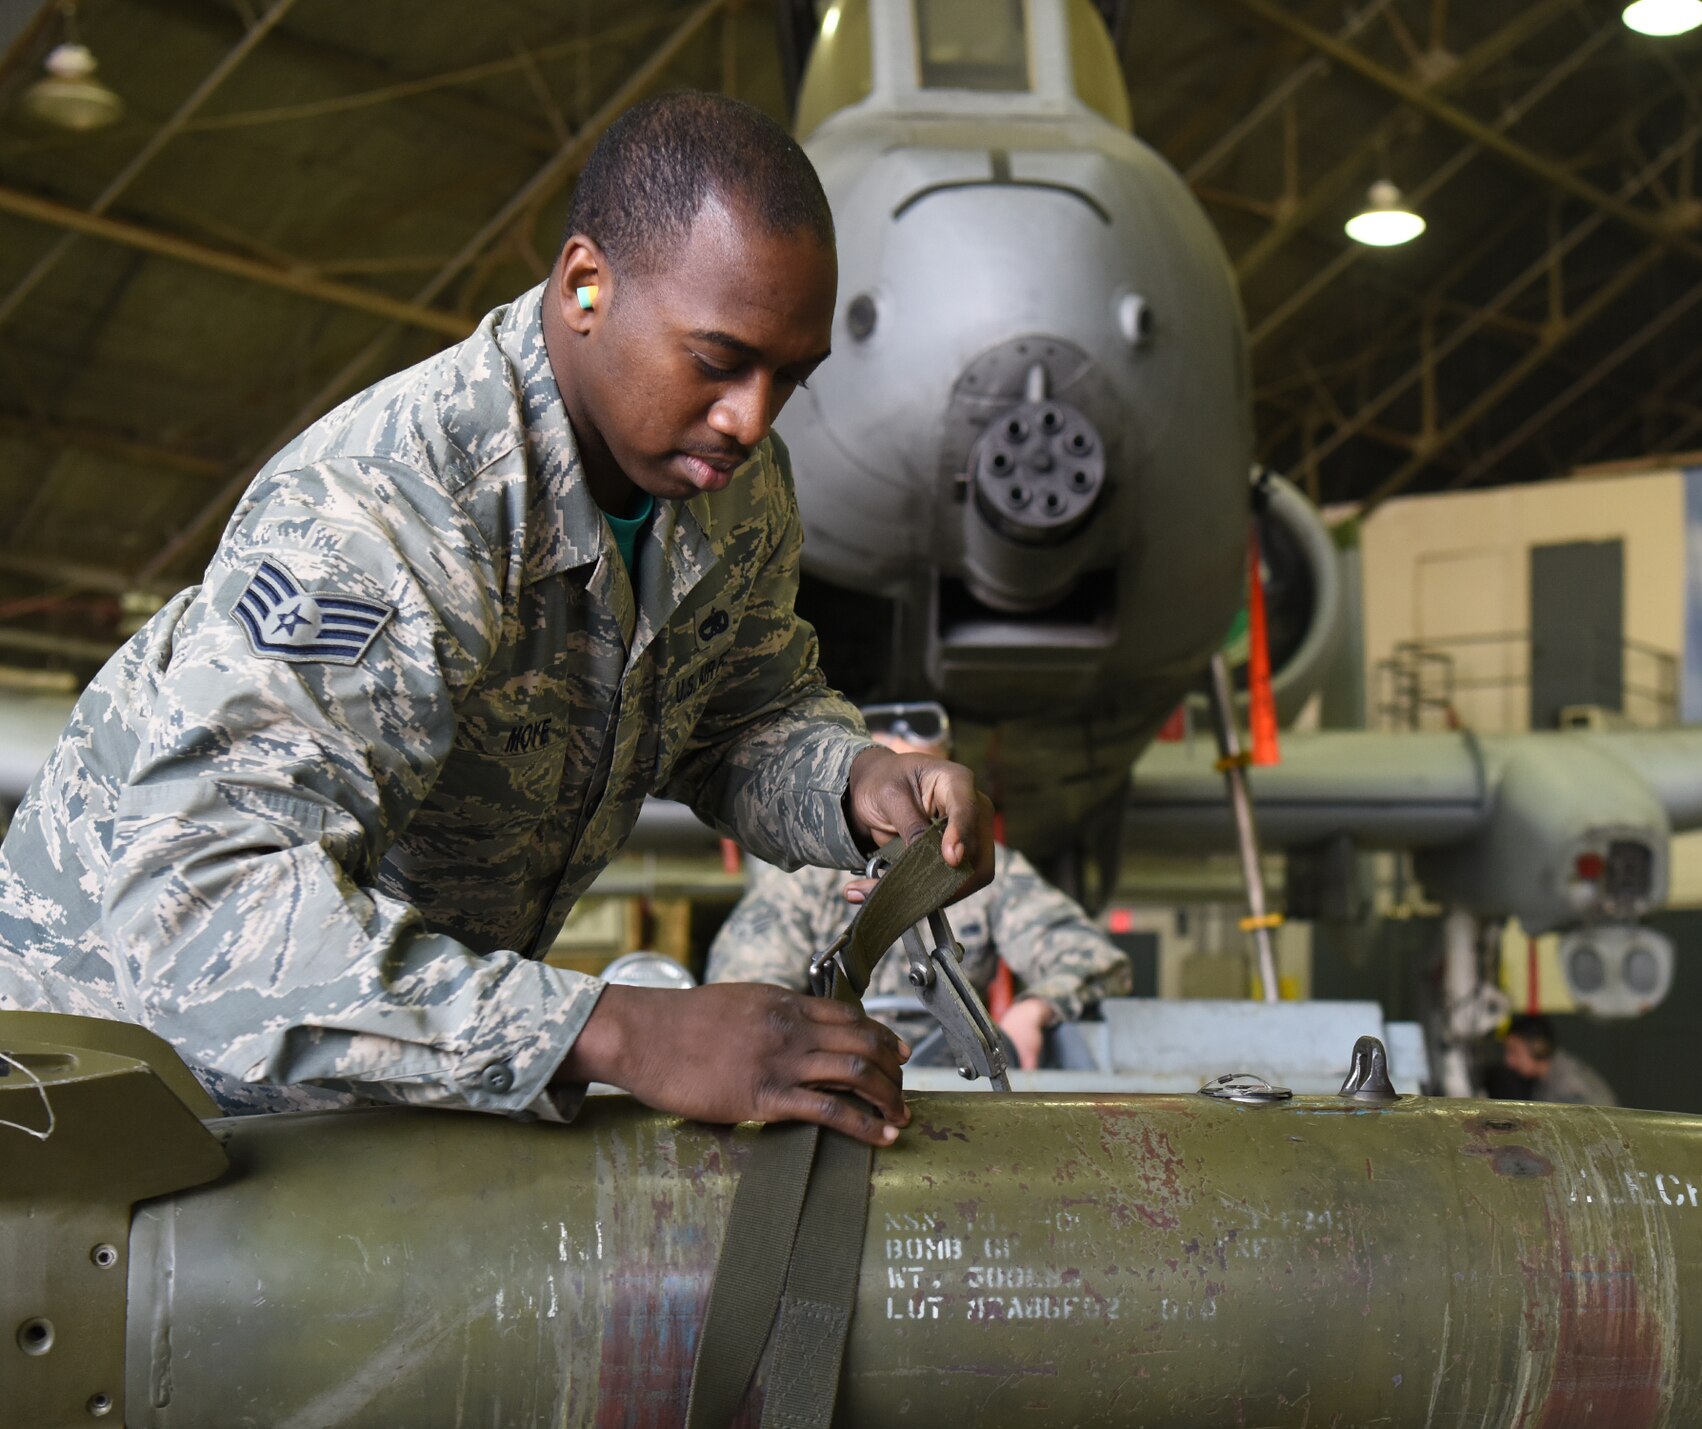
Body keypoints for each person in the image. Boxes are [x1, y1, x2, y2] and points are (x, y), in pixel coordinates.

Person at [0, 94, 993, 1150]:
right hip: (112, 1105)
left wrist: (855, 781)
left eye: (788, 377)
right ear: (583, 287)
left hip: (385, 1096)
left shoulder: (732, 492)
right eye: (717, 360)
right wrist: (622, 1032)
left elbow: (734, 714)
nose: (751, 417)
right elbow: (197, 907)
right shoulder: (385, 509)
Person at [707, 702, 1131, 1069]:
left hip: (960, 1079)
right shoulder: (803, 880)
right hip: (832, 1075)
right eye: (892, 796)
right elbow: (746, 994)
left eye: (925, 795)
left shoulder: (978, 866)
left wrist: (1037, 1008)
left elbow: (1092, 958)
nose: (907, 815)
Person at [1493, 1014, 1618, 1105]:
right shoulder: (1551, 1077)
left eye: (1514, 1051)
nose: (1508, 1061)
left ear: (1539, 1047)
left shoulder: (1569, 1085)